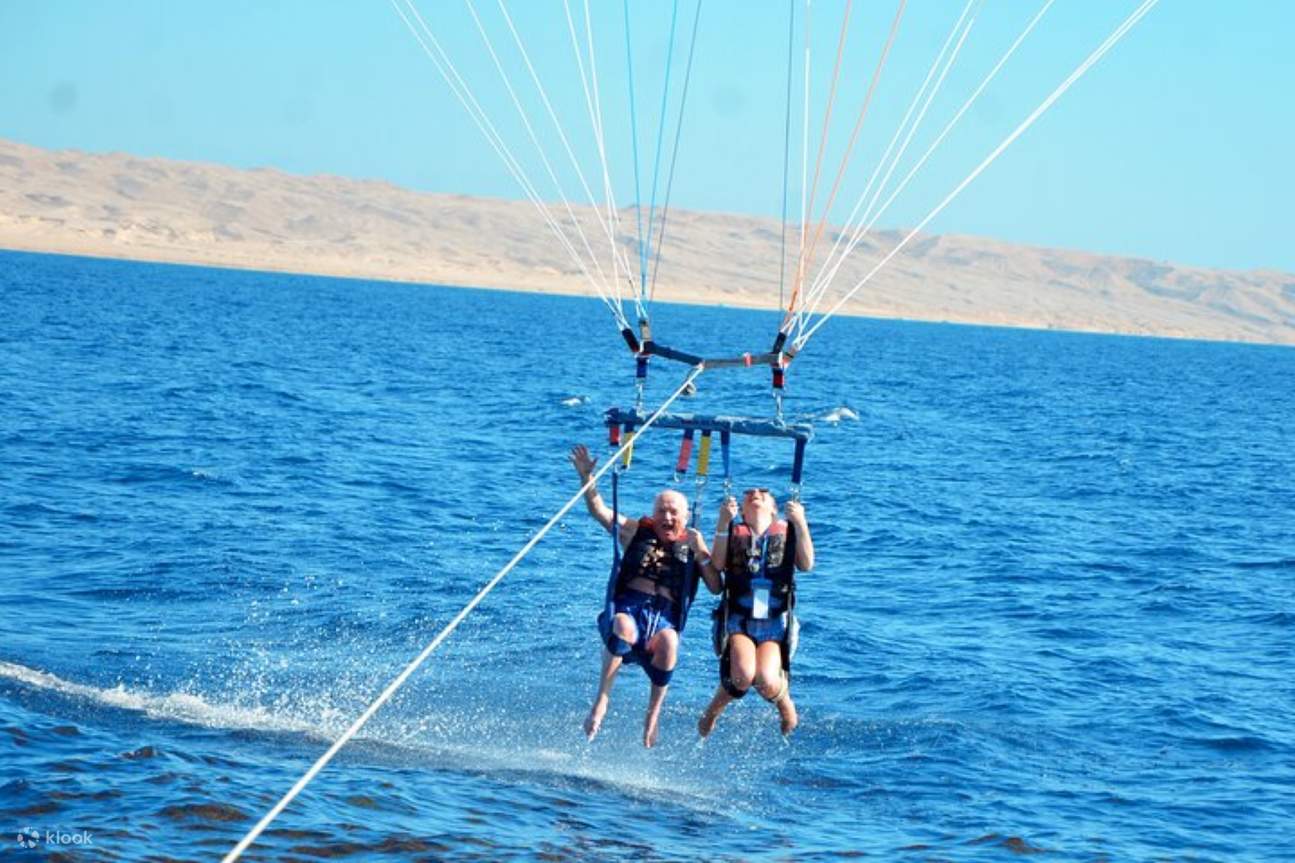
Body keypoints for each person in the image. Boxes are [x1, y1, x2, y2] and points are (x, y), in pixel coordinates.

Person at [569, 444, 715, 748]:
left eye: (674, 512)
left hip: (664, 618)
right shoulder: (635, 532)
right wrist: (587, 478)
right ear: (653, 514)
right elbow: (598, 510)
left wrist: (702, 554)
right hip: (628, 608)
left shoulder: (694, 545)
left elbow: (716, 586)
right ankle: (601, 702)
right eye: (661, 510)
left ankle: (652, 716)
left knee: (671, 642)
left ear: (685, 518)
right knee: (622, 627)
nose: (667, 516)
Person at [697, 487, 815, 737]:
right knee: (742, 676)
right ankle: (713, 711)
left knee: (766, 680)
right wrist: (722, 521)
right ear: (741, 508)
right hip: (740, 620)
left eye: (763, 492)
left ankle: (785, 703)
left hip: (773, 622)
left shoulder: (787, 530)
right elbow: (717, 564)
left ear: (774, 507)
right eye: (748, 492)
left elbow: (806, 564)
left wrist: (800, 521)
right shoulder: (732, 531)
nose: (755, 494)